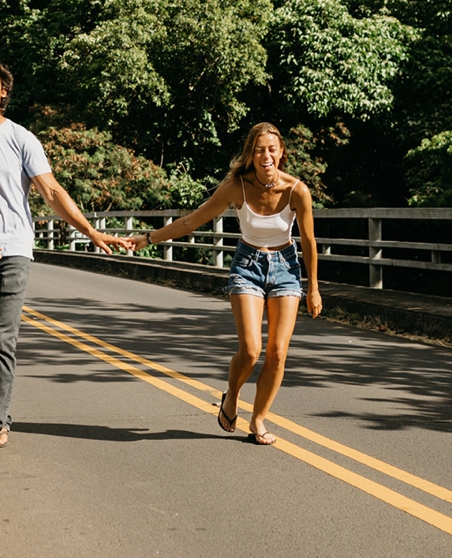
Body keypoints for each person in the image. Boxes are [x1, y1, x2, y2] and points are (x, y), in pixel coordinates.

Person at [0, 57, 132, 460]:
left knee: (0, 337)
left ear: (3, 92)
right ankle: (0, 418)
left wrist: (91, 231)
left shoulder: (22, 138)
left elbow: (52, 192)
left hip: (13, 250)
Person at [130, 122, 321, 445]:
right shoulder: (236, 187)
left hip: (286, 267)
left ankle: (258, 419)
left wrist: (314, 288)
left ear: (282, 153)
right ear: (251, 153)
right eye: (259, 149)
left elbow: (309, 241)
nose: (266, 155)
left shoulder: (296, 190)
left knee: (277, 352)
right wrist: (148, 238)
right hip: (248, 265)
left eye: (272, 149)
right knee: (250, 350)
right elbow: (193, 220)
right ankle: (232, 396)